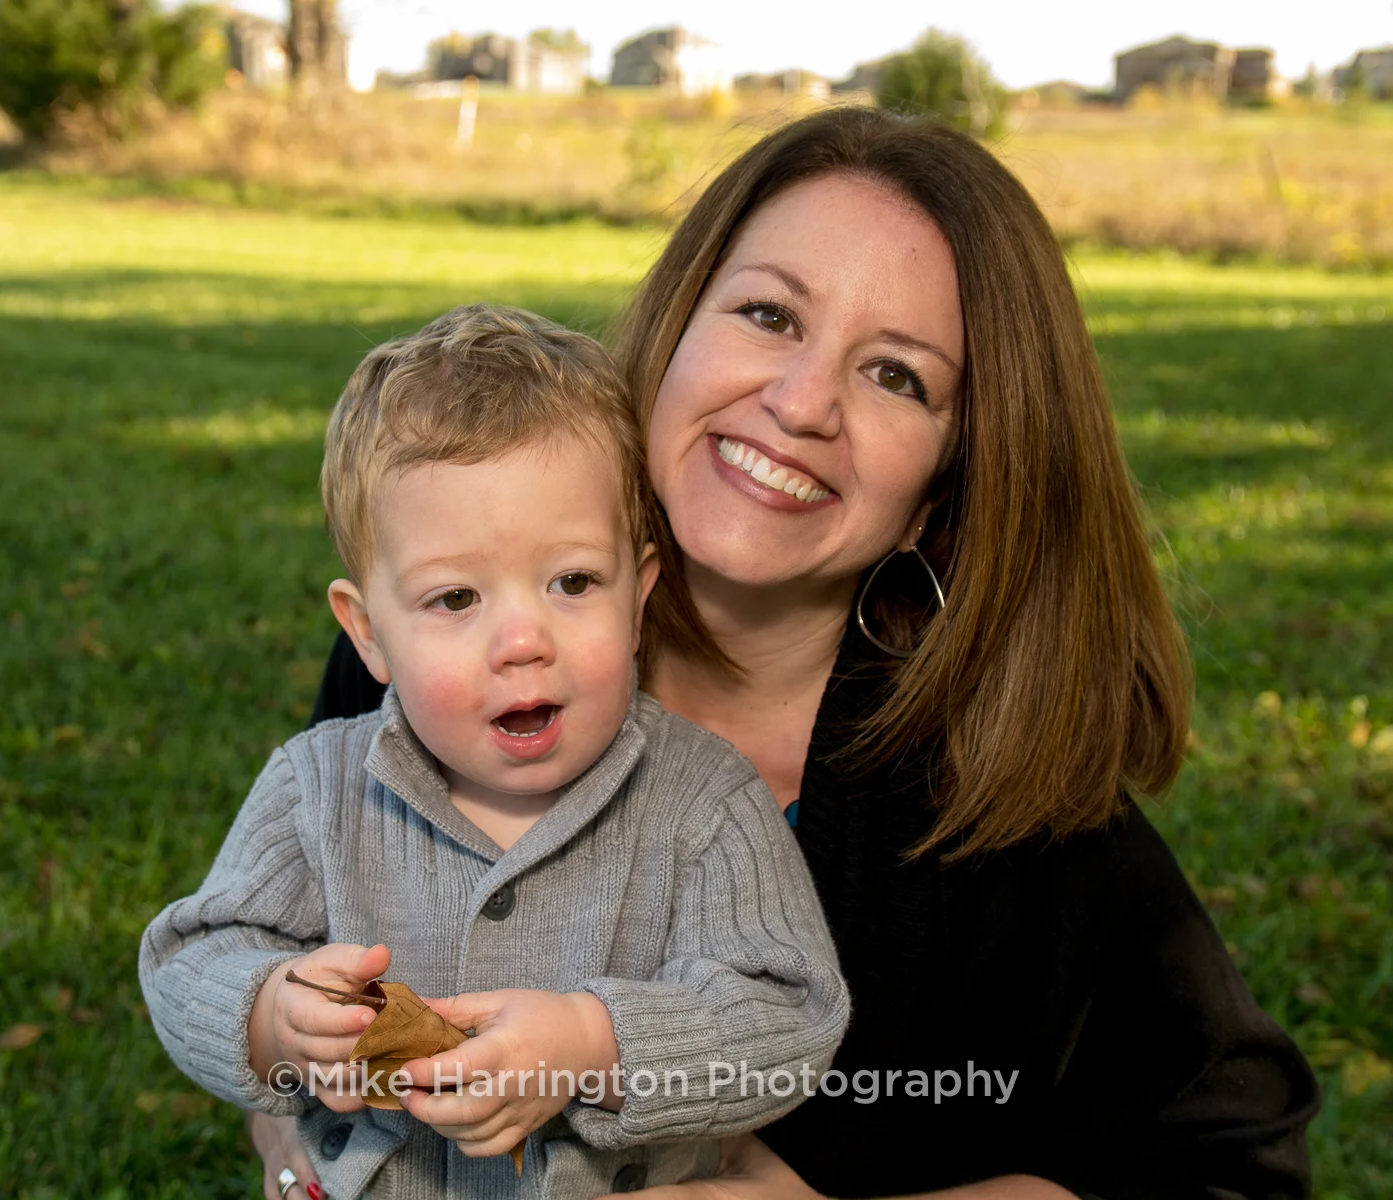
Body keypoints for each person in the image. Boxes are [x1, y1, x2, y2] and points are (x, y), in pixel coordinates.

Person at [253, 108, 1320, 1200]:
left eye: (896, 375)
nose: (803, 404)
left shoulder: (1009, 809)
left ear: (944, 488)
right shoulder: (443, 658)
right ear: (677, 327)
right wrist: (295, 1154)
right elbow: (273, 971)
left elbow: (1235, 1173)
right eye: (769, 315)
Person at [139, 305, 851, 1200]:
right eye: (455, 599)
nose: (523, 641)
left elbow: (790, 1019)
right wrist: (273, 1015)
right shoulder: (318, 787)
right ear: (368, 634)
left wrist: (594, 1046)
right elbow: (190, 958)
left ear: (639, 597)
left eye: (573, 582)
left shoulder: (702, 802)